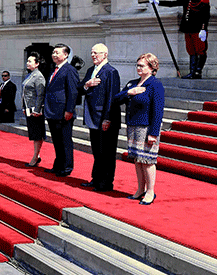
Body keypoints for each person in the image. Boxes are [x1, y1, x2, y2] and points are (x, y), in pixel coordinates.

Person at [114, 53, 165, 205]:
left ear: (151, 68)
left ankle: (150, 191)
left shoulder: (155, 85)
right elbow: (117, 99)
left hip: (146, 127)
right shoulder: (132, 83)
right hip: (132, 126)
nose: (138, 68)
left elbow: (158, 111)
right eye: (137, 65)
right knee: (137, 159)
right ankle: (140, 189)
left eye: (142, 65)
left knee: (148, 160)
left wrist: (154, 133)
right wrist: (129, 92)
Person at [78, 44, 121, 192]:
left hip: (104, 118)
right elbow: (80, 88)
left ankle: (106, 183)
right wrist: (87, 84)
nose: (93, 55)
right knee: (97, 151)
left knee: (107, 152)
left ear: (105, 54)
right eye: (92, 52)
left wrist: (107, 118)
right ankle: (96, 179)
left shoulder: (111, 72)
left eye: (96, 53)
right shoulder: (91, 70)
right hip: (92, 117)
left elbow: (111, 97)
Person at [150, 0, 210, 78]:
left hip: (198, 29)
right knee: (191, 50)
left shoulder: (203, 0)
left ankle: (198, 72)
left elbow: (206, 16)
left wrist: (203, 29)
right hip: (188, 29)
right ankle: (192, 71)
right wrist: (158, 2)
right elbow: (173, 3)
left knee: (200, 50)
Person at [44, 44, 80, 177]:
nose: (54, 55)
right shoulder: (54, 69)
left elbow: (73, 92)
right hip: (52, 111)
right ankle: (58, 165)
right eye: (53, 52)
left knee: (65, 141)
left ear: (65, 55)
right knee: (56, 141)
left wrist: (69, 110)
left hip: (64, 112)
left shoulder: (69, 70)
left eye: (57, 52)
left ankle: (66, 167)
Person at [22, 53, 47, 167]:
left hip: (35, 110)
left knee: (37, 134)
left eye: (30, 61)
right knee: (33, 133)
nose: (28, 63)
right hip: (29, 108)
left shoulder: (39, 76)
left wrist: (37, 110)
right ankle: (37, 155)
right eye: (27, 61)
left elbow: (40, 94)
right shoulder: (30, 75)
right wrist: (24, 107)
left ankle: (35, 156)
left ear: (37, 64)